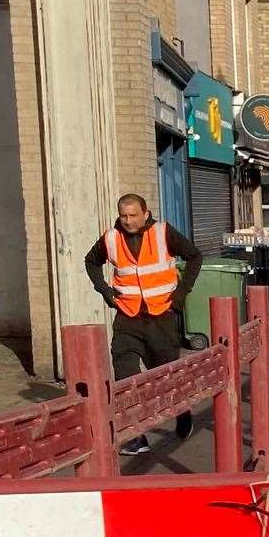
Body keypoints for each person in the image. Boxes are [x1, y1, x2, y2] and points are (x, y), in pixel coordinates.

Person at [83, 192, 203, 456]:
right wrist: (105, 291)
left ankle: (182, 411)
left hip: (161, 316)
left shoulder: (163, 233)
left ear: (145, 214)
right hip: (127, 317)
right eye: (123, 216)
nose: (127, 221)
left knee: (165, 375)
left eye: (133, 215)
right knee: (124, 374)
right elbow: (91, 262)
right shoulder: (111, 238)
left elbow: (195, 256)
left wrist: (180, 295)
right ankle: (135, 437)